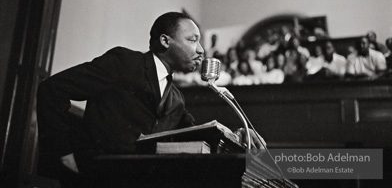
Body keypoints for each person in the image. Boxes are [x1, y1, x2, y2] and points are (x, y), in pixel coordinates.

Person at [37, 12, 264, 187]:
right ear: (165, 41)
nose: (201, 50)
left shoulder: (176, 97)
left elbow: (197, 137)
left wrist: (238, 134)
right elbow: (52, 90)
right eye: (193, 40)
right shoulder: (123, 62)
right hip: (95, 179)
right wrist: (64, 155)